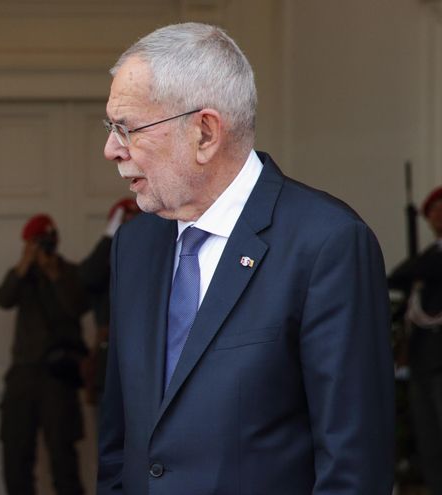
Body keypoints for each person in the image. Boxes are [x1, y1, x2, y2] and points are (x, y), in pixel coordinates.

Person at [97, 23, 394, 494]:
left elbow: (353, 467)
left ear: (205, 133)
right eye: (111, 128)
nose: (111, 149)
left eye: (127, 128)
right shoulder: (134, 247)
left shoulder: (327, 244)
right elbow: (119, 443)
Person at [0, 214, 88, 495]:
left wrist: (55, 275)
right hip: (23, 373)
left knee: (63, 455)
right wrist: (24, 264)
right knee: (16, 452)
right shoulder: (24, 276)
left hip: (59, 376)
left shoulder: (71, 273)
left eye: (48, 239)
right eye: (38, 241)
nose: (45, 245)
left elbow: (78, 307)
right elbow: (2, 299)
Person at [389, 186, 442, 495]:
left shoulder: (430, 260)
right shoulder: (428, 256)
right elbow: (398, 276)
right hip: (423, 360)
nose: (437, 216)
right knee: (429, 441)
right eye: (432, 211)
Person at [79, 198, 139, 405]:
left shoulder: (154, 255)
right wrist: (110, 236)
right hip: (110, 353)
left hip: (145, 355)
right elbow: (87, 277)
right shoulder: (105, 262)